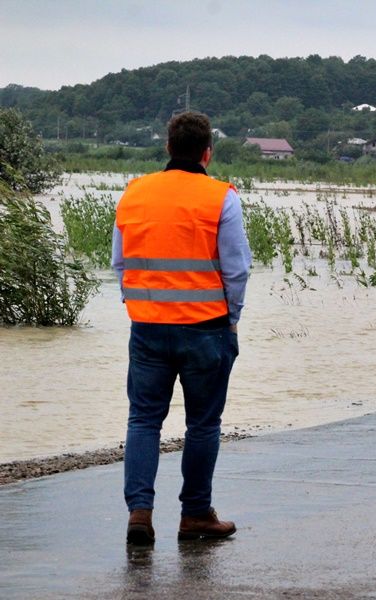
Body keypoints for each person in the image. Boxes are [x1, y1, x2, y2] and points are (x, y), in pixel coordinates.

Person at [112, 112, 251, 545]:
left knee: (144, 419)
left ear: (168, 148)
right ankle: (194, 515)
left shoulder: (134, 193)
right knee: (204, 424)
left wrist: (138, 305)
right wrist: (232, 320)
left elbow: (120, 262)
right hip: (206, 328)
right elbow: (237, 270)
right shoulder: (221, 198)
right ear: (207, 152)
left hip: (148, 326)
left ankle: (140, 512)